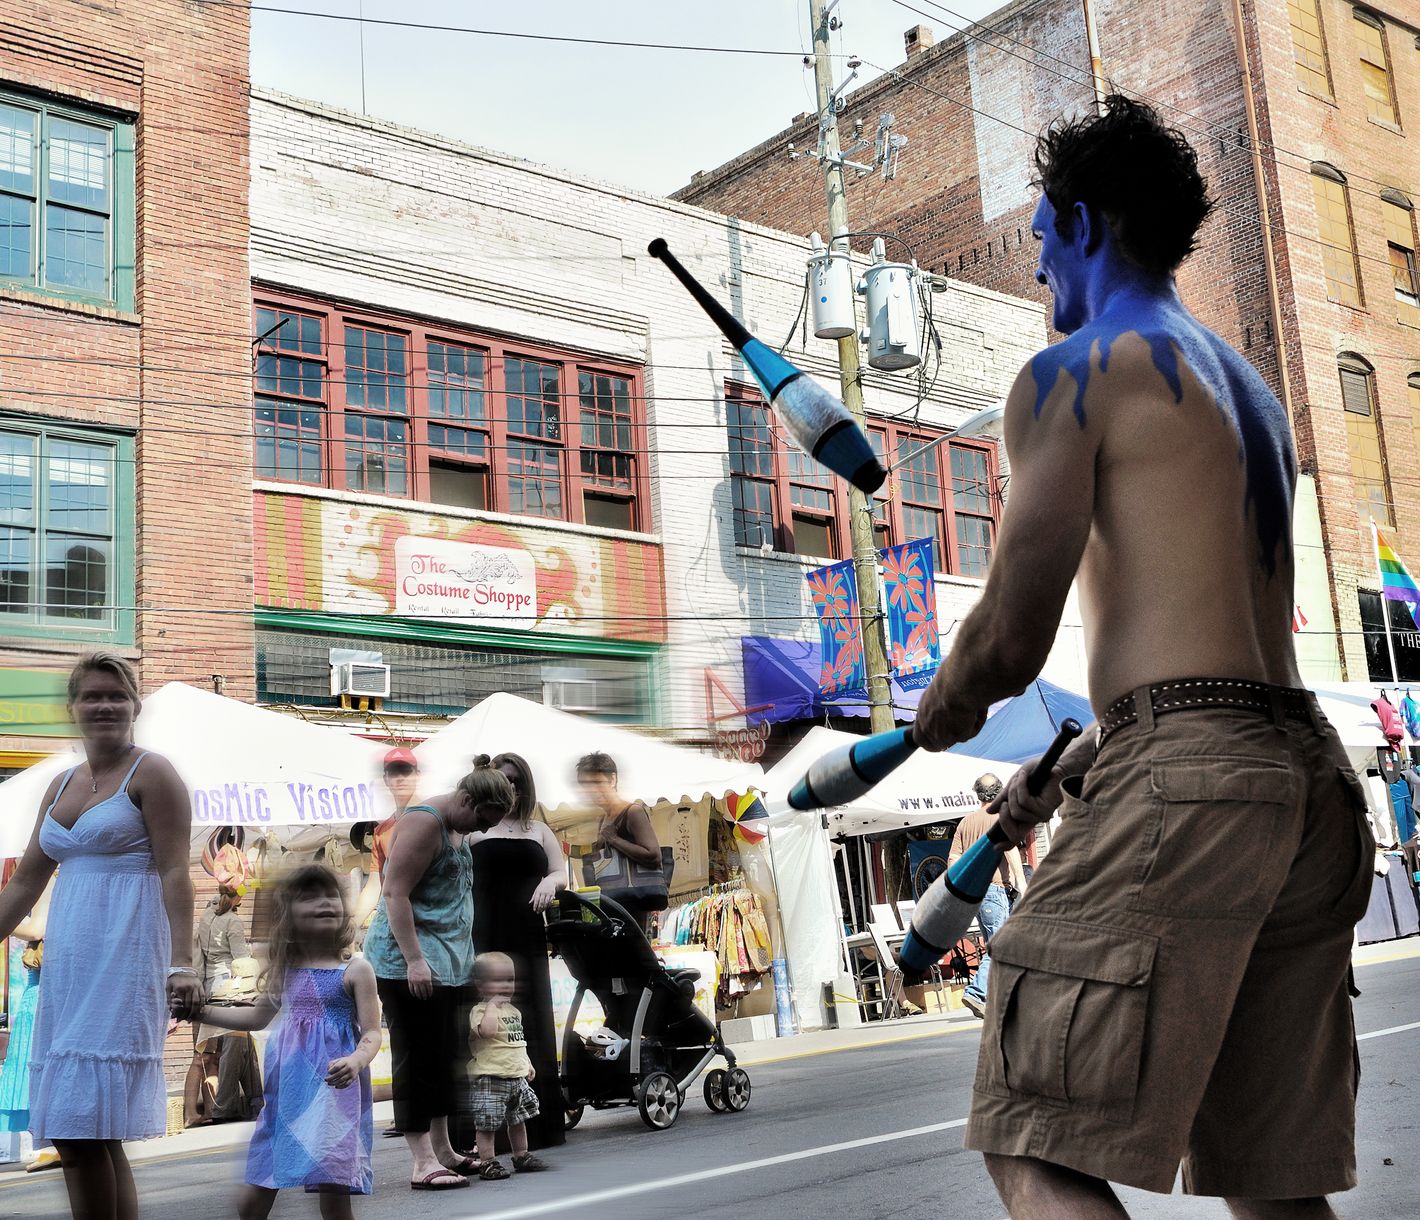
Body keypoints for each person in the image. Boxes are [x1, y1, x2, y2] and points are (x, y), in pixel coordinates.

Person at [913, 96, 1373, 1218]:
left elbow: (1012, 635)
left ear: (1078, 224)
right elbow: (1205, 636)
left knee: (1030, 1121)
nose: (1034, 274)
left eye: (1036, 240)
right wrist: (1077, 766)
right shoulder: (1249, 390)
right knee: (1270, 1179)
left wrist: (939, 709)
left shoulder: (1076, 369)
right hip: (1307, 778)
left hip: (1193, 769)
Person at [0, 652, 202, 1220]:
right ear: (73, 709)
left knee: (80, 1129)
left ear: (136, 705)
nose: (104, 705)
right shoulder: (61, 783)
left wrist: (181, 963)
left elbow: (174, 874)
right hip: (70, 967)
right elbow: (23, 887)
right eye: (91, 695)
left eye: (116, 695)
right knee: (88, 1134)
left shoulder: (153, 772)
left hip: (126, 956)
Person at [361, 766, 515, 1191]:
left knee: (446, 1057)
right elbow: (394, 893)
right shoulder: (424, 822)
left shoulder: (456, 827)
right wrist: (414, 960)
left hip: (446, 965)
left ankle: (444, 1150)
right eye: (482, 819)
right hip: (408, 965)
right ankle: (421, 1161)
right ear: (466, 800)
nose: (482, 828)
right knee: (417, 1058)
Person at [197, 865, 378, 1218]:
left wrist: (356, 1060)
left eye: (331, 896)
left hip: (334, 1094)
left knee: (334, 1188)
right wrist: (200, 1013)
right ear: (289, 915)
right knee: (258, 1187)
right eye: (309, 897)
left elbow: (372, 1032)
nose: (324, 903)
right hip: (286, 1096)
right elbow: (255, 1017)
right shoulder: (285, 971)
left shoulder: (356, 970)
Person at [468, 752, 567, 1151]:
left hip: (527, 935)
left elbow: (562, 871)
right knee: (485, 1026)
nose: (511, 786)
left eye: (517, 780)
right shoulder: (475, 829)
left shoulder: (539, 829)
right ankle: (484, 1133)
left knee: (531, 1021)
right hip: (484, 934)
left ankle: (538, 1127)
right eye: (504, 779)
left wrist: (551, 883)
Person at [351, 746, 421, 1140]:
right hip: (392, 940)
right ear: (385, 780)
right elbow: (380, 883)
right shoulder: (382, 831)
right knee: (398, 1027)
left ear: (417, 774)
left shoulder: (432, 818)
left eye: (406, 771)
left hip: (428, 935)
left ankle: (423, 1114)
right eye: (393, 773)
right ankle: (406, 1110)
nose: (399, 779)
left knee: (423, 1028)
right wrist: (354, 921)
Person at [462, 951, 548, 1180]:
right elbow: (488, 1032)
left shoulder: (514, 1012)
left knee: (518, 1120)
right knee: (487, 1123)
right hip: (490, 1078)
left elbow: (516, 1041)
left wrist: (526, 1062)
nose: (506, 985)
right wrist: (491, 1005)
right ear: (480, 986)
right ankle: (487, 1162)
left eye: (509, 980)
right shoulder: (480, 1011)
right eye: (498, 980)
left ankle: (521, 1155)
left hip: (515, 1077)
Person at [948, 774, 1028, 1020]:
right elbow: (1011, 848)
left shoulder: (965, 823)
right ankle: (976, 991)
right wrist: (1021, 883)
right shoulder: (1000, 818)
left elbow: (953, 861)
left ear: (978, 794)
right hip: (994, 890)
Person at [189, 887, 258, 1125]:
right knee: (229, 1049)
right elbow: (241, 962)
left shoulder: (207, 913)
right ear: (238, 894)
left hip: (207, 985)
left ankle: (249, 1102)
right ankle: (223, 1107)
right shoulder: (232, 921)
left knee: (212, 1052)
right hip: (228, 988)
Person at [576, 751, 664, 930]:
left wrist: (614, 839)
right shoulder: (603, 818)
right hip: (614, 906)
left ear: (612, 780)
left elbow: (654, 855)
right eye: (586, 785)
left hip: (634, 906)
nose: (592, 790)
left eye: (597, 782)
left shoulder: (632, 812)